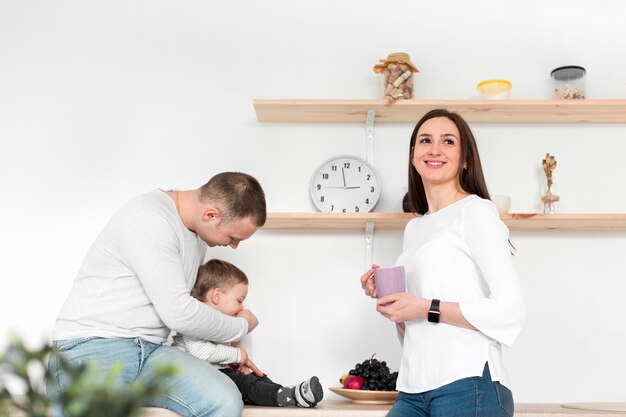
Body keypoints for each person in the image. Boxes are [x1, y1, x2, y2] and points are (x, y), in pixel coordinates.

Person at [48, 172, 267, 417]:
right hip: (93, 346)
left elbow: (186, 313)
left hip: (152, 351)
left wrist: (232, 352)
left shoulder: (198, 235)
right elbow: (180, 314)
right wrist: (241, 326)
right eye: (233, 237)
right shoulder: (150, 218)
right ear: (211, 215)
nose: (234, 246)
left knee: (225, 400)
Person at [360, 109, 526, 417]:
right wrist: (396, 307)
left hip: (469, 385)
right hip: (413, 388)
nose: (434, 149)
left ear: (465, 159)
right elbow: (418, 328)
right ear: (413, 156)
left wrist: (423, 306)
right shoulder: (415, 229)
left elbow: (511, 309)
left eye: (448, 141)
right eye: (425, 140)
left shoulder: (476, 212)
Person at [172, 259, 324, 408]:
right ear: (217, 296)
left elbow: (219, 354)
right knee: (244, 383)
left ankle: (290, 393)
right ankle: (287, 395)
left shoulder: (219, 322)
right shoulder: (195, 315)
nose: (242, 307)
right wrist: (238, 355)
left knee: (254, 376)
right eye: (239, 300)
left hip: (214, 372)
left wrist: (236, 360)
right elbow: (202, 352)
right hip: (195, 377)